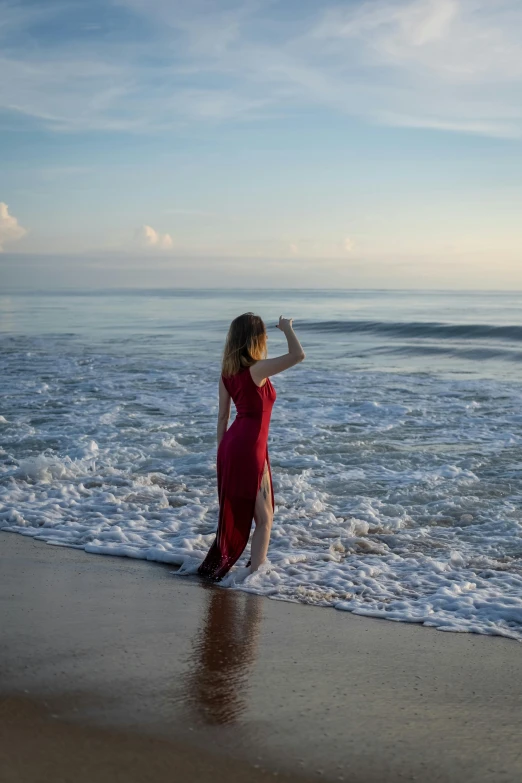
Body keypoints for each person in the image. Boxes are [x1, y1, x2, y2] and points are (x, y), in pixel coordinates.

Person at [198, 313, 305, 582]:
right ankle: (256, 575)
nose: (267, 338)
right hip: (248, 448)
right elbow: (297, 355)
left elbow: (222, 417)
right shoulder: (256, 369)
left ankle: (253, 569)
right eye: (265, 335)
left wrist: (221, 455)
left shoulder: (228, 373)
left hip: (234, 446)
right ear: (255, 339)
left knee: (264, 514)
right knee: (265, 518)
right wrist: (287, 329)